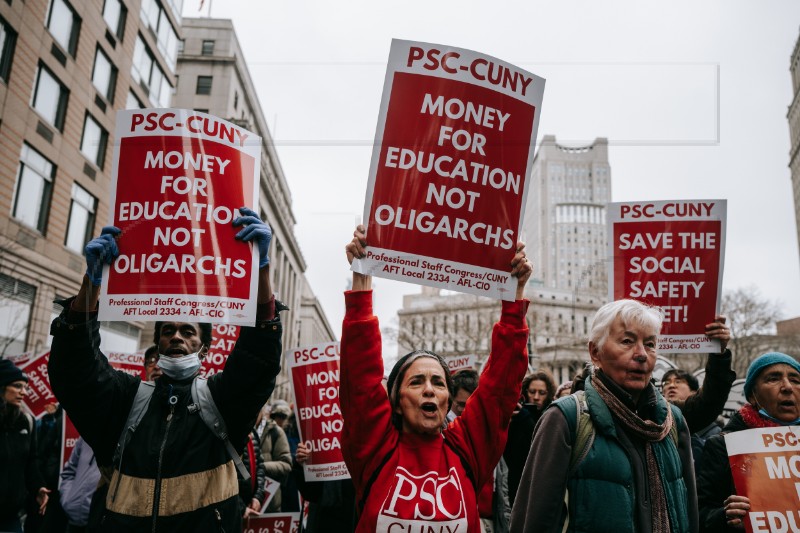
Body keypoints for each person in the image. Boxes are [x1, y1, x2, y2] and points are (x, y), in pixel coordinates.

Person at [48, 208, 284, 532]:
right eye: (168, 331)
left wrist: (261, 275)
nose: (176, 336)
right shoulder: (126, 399)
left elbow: (257, 362)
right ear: (157, 343)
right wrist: (91, 283)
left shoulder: (221, 401)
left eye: (188, 332)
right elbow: (75, 373)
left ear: (205, 347)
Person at [340, 225, 532, 532]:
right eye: (416, 382)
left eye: (439, 383)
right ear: (397, 403)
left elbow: (499, 388)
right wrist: (362, 276)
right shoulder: (375, 448)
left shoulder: (466, 449)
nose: (429, 389)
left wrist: (514, 295)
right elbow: (359, 378)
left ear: (446, 400)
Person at [510, 299, 698, 533]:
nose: (641, 354)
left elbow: (689, 514)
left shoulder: (672, 421)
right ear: (595, 352)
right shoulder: (565, 418)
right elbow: (535, 521)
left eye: (650, 344)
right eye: (627, 341)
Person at [697, 352, 800, 532]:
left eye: (795, 380)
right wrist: (725, 515)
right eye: (773, 379)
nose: (787, 387)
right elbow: (699, 515)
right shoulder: (724, 445)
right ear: (752, 395)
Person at [0, 359, 49, 533]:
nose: (24, 392)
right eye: (17, 386)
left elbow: (30, 461)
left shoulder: (26, 422)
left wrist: (38, 486)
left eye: (26, 387)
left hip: (11, 518)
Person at [503, 370, 555, 507]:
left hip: (542, 485)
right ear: (525, 393)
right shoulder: (516, 419)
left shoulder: (553, 416)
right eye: (532, 392)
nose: (536, 397)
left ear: (548, 394)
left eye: (542, 393)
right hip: (518, 485)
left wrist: (525, 418)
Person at [662, 369, 722, 471]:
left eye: (678, 381)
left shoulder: (715, 434)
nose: (671, 386)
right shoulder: (658, 427)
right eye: (666, 383)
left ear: (695, 392)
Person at [291, 441, 357, 532]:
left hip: (354, 519)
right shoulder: (321, 442)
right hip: (323, 520)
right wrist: (302, 465)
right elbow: (309, 493)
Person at [59, 437, 101, 533]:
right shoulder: (85, 438)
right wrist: (67, 501)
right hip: (74, 520)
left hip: (98, 524)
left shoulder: (120, 440)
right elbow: (69, 472)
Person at [258, 403, 292, 512]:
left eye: (283, 417)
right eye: (278, 416)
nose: (281, 420)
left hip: (269, 503)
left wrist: (259, 467)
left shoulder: (276, 432)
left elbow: (286, 464)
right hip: (242, 504)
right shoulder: (237, 430)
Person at [238, 429, 267, 518]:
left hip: (250, 506)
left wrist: (258, 497)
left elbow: (260, 467)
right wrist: (241, 507)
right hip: (235, 509)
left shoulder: (252, 432)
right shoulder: (229, 433)